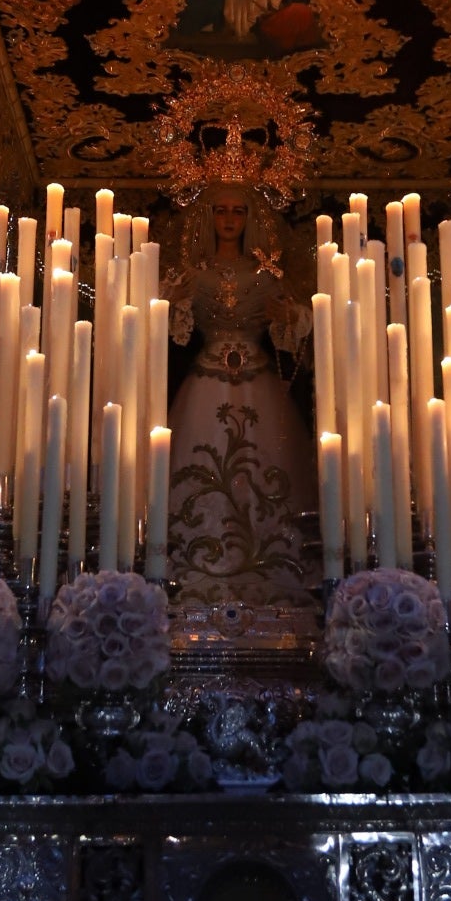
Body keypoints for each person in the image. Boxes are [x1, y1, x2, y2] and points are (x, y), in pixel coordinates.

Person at [164, 184, 315, 621]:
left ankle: (271, 567)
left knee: (264, 465)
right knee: (201, 458)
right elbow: (163, 320)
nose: (229, 220)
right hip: (206, 379)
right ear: (208, 217)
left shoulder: (267, 274)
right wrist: (171, 302)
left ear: (249, 219)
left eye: (237, 212)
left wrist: (290, 318)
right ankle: (198, 560)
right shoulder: (193, 274)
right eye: (221, 211)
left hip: (258, 379)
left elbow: (303, 320)